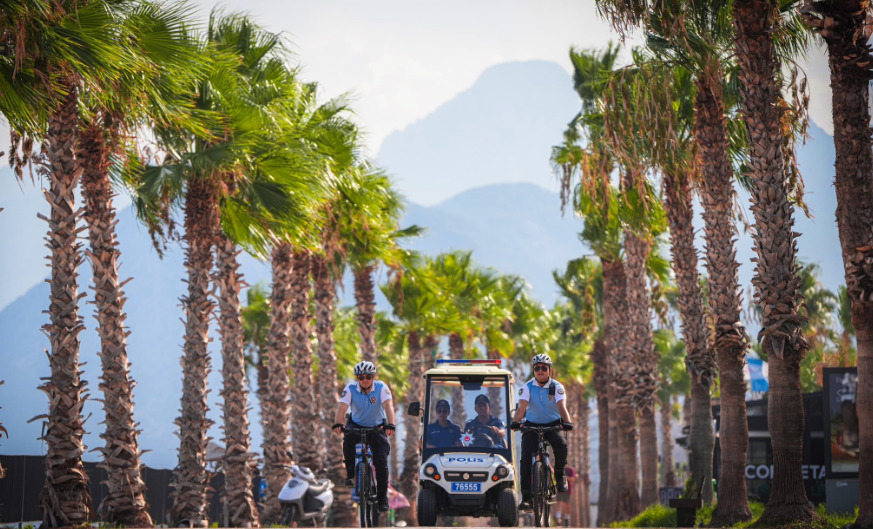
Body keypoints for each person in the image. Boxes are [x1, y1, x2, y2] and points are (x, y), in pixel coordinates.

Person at [510, 353, 573, 510]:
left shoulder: (557, 387)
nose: (540, 370)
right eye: (536, 368)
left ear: (549, 370)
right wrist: (515, 422)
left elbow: (561, 407)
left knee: (561, 445)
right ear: (533, 370)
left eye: (544, 368)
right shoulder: (527, 387)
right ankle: (526, 498)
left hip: (552, 425)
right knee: (525, 459)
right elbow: (522, 408)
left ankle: (559, 475)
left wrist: (567, 422)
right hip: (531, 426)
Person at [332, 360, 396, 512]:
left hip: (376, 426)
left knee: (380, 461)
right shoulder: (350, 389)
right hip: (356, 423)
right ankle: (350, 473)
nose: (365, 380)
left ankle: (382, 498)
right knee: (347, 440)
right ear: (357, 379)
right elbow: (342, 407)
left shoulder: (381, 387)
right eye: (361, 377)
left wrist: (391, 424)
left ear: (373, 376)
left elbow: (388, 406)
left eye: (368, 376)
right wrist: (337, 423)